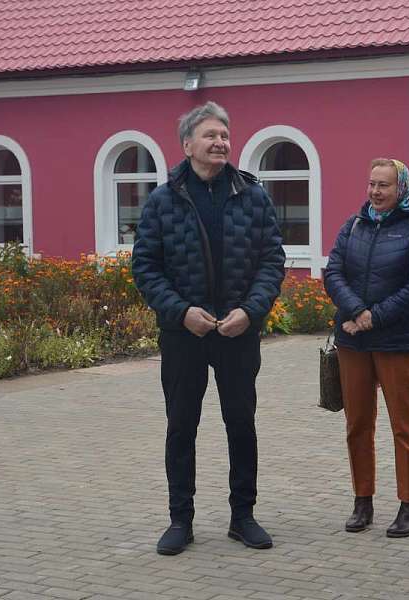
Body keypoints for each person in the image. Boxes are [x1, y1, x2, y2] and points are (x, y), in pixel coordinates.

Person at [132, 101, 285, 556]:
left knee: (241, 424)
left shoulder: (252, 196)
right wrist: (181, 312)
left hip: (238, 333)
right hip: (185, 335)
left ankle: (243, 516)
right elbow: (146, 267)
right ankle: (181, 520)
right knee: (182, 426)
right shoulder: (162, 201)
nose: (220, 143)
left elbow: (271, 261)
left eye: (224, 136)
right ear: (187, 145)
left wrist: (250, 312)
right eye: (210, 136)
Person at [324, 158, 409, 538]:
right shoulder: (353, 225)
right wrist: (358, 312)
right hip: (353, 340)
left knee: (405, 427)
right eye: (371, 183)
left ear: (401, 188)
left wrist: (374, 317)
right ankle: (363, 501)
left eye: (383, 185)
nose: (375, 191)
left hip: (398, 341)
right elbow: (334, 272)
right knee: (357, 424)